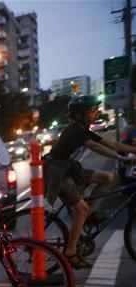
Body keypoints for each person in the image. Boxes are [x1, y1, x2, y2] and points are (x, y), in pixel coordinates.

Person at [44, 95, 136, 268]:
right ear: (80, 114)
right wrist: (120, 159)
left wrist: (133, 150)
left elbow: (111, 143)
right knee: (82, 208)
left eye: (95, 110)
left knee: (107, 177)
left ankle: (88, 217)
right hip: (58, 172)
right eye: (91, 111)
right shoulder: (74, 130)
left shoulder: (83, 128)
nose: (95, 114)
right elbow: (95, 147)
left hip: (70, 168)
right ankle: (70, 252)